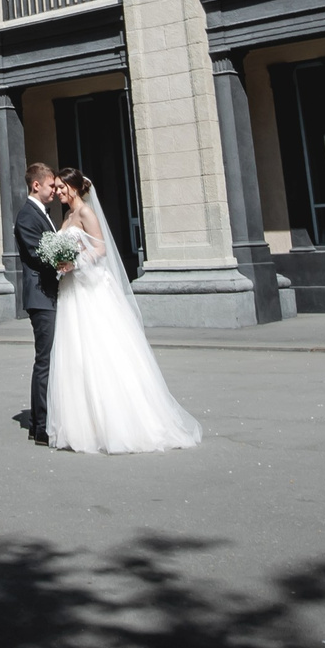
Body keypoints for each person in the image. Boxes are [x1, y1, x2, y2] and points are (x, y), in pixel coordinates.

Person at [44, 167, 204, 455]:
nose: (58, 192)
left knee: (101, 350)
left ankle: (120, 422)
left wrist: (75, 263)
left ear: (75, 188)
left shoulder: (85, 214)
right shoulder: (67, 216)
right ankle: (83, 425)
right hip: (72, 290)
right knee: (75, 354)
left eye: (62, 187)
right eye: (56, 187)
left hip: (89, 288)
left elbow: (101, 249)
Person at [14, 162, 65, 444]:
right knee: (44, 360)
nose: (53, 191)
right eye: (50, 186)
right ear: (37, 185)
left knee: (51, 359)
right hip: (40, 296)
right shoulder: (27, 215)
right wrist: (65, 262)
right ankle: (41, 427)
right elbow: (36, 254)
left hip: (49, 293)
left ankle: (40, 422)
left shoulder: (42, 214)